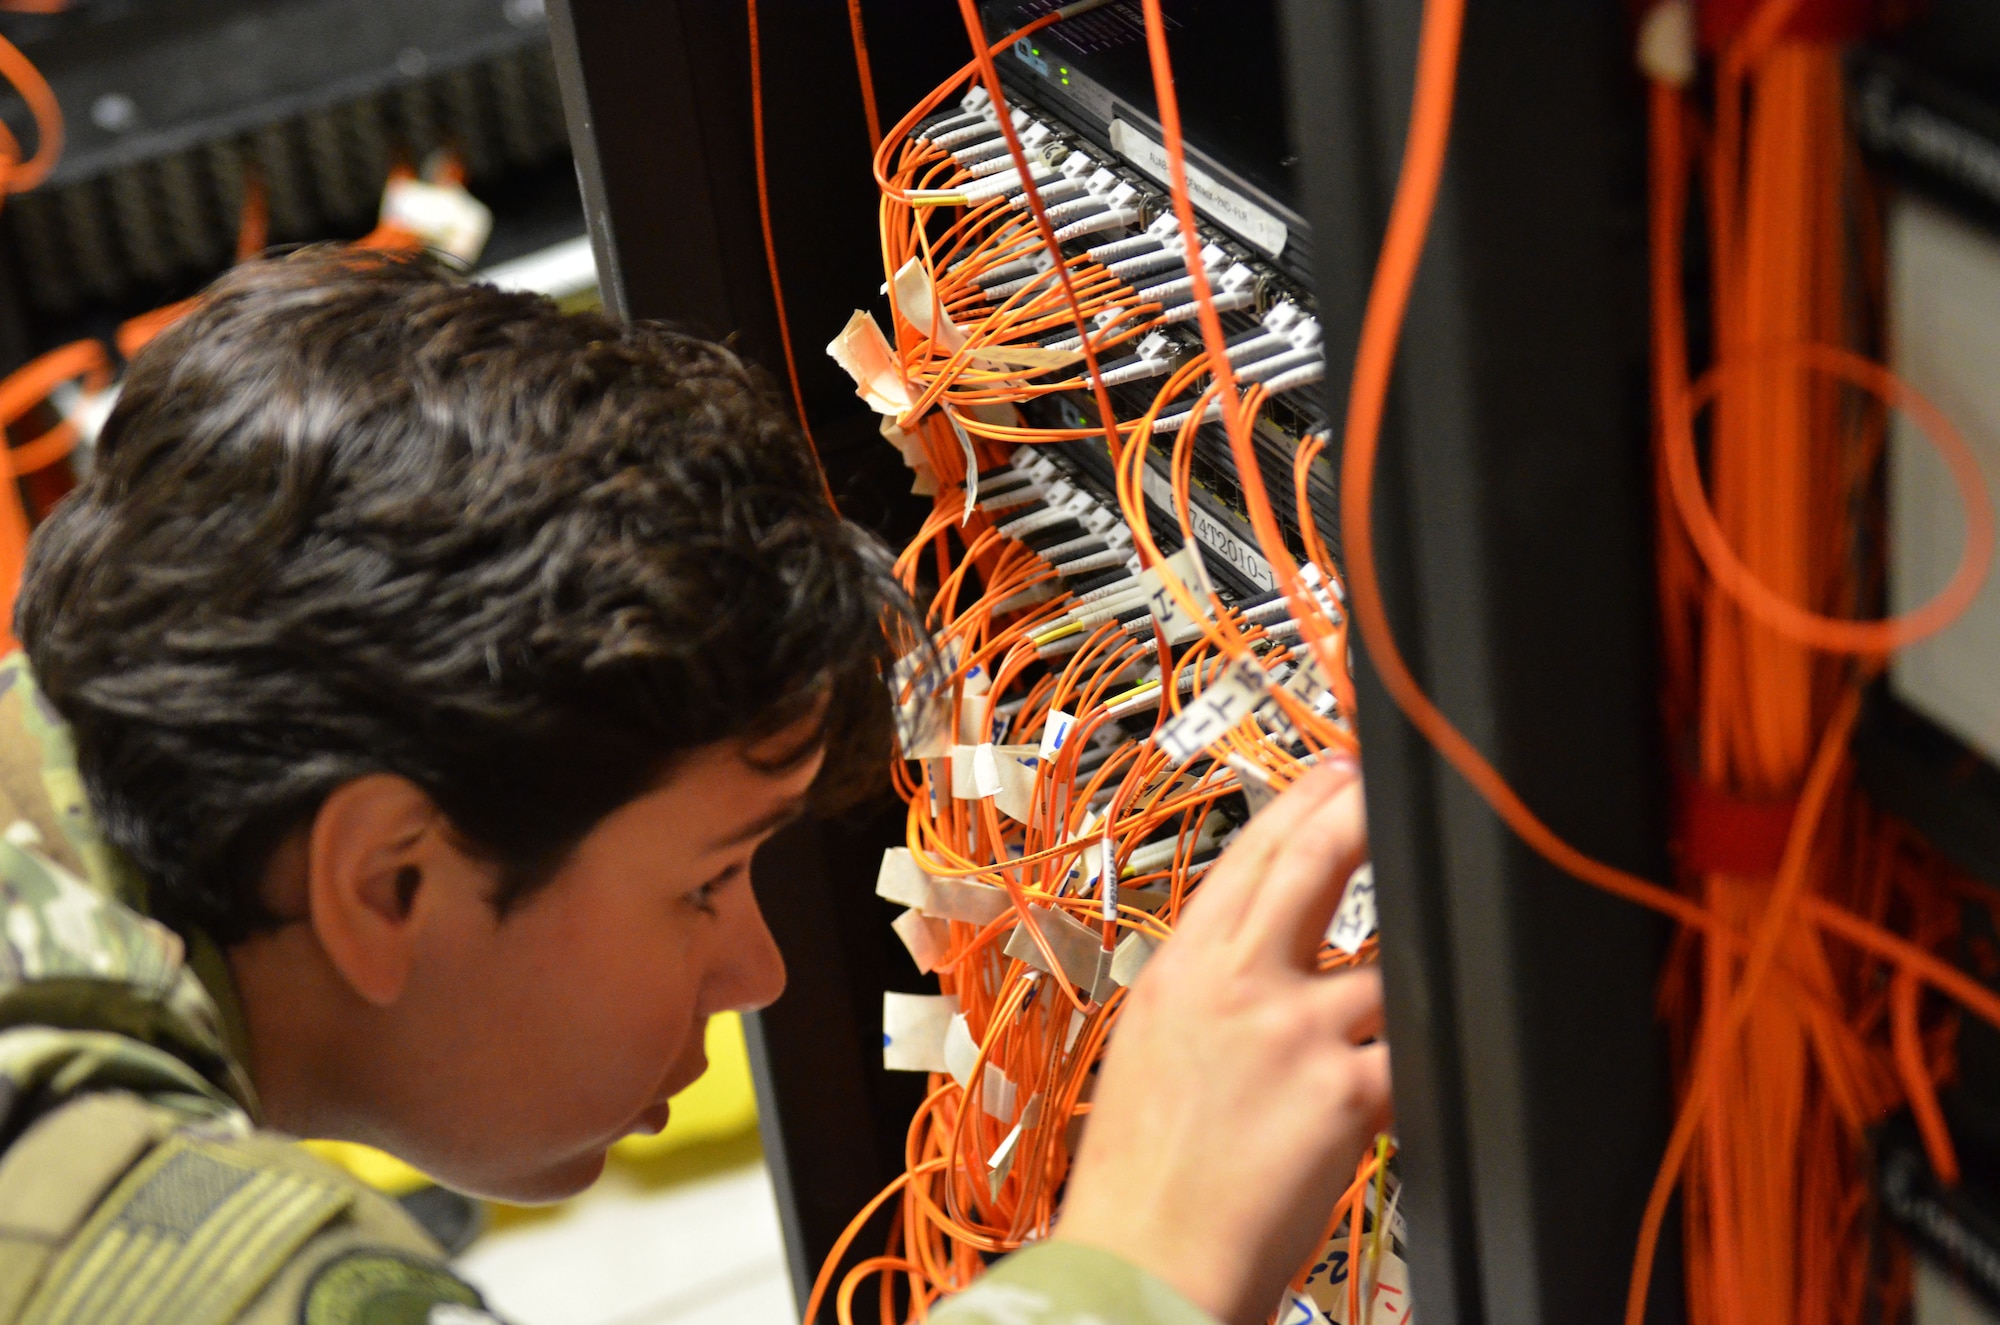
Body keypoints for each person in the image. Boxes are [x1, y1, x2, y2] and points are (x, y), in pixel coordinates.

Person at [0, 249, 1389, 1325]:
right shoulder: (163, 1250)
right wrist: (1150, 1248)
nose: (760, 971)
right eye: (707, 879)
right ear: (386, 878)